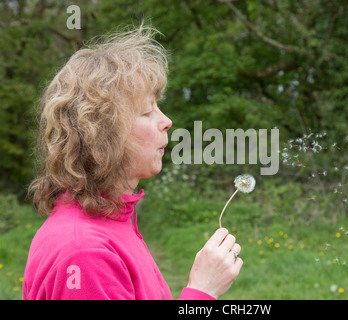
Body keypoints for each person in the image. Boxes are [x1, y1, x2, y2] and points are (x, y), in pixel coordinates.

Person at [23, 25, 243, 300]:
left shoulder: (111, 220)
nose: (167, 121)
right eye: (147, 111)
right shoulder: (85, 254)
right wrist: (201, 292)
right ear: (102, 136)